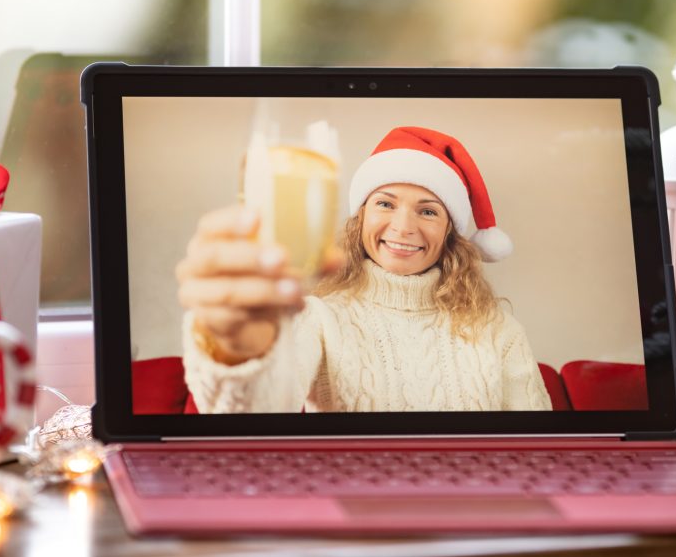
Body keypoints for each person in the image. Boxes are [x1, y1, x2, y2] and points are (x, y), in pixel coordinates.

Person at [177, 126, 551, 413]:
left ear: (450, 233)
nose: (404, 227)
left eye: (427, 211)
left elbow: (542, 451)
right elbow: (252, 417)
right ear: (360, 218)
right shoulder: (319, 317)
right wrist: (238, 348)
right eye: (386, 204)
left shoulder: (498, 329)